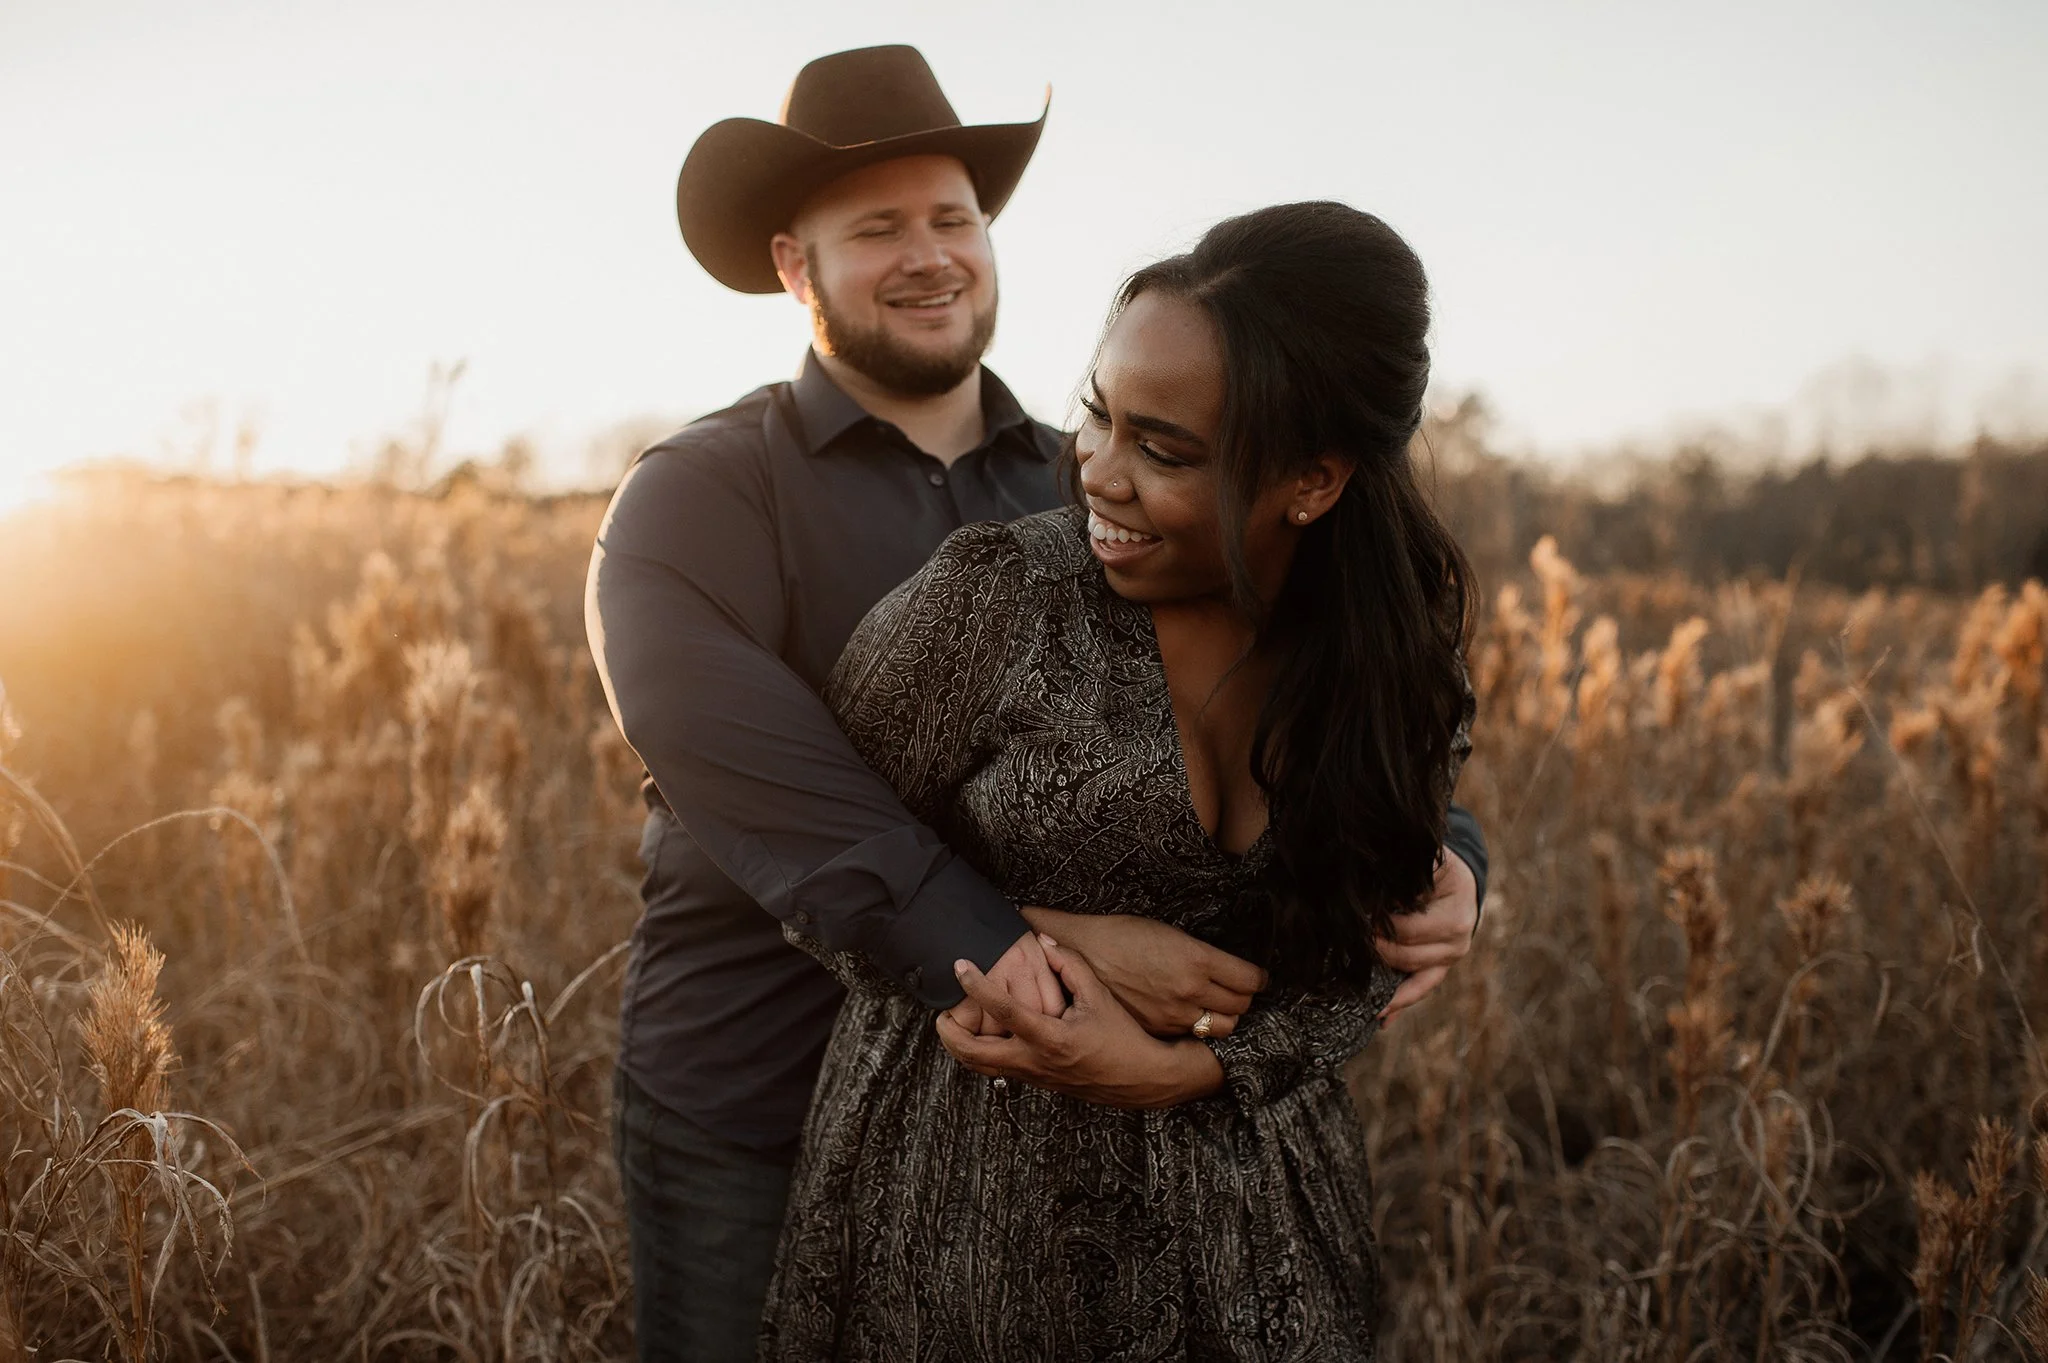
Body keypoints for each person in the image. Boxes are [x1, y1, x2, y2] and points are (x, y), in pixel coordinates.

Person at [585, 47, 1489, 1362]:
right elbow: (771, 802)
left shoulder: (1108, 496)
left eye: (953, 216)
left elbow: (1285, 722)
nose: (931, 253)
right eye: (877, 226)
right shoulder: (698, 499)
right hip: (755, 1081)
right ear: (795, 264)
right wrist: (1027, 938)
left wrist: (1448, 853)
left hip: (1052, 1122)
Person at [759, 201, 1472, 1360]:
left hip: (1258, 1234)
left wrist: (1182, 1070)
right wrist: (1035, 937)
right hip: (963, 1217)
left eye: (1166, 450)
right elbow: (822, 863)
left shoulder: (1389, 660)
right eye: (1098, 413)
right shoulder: (995, 598)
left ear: (1312, 481)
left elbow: (1363, 958)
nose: (1097, 470)